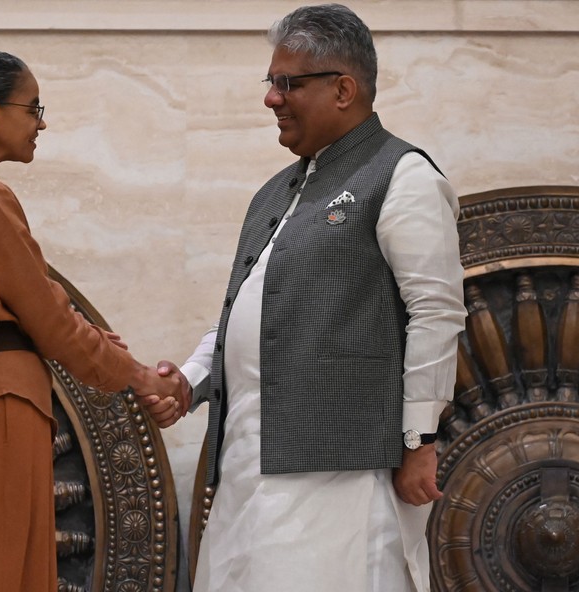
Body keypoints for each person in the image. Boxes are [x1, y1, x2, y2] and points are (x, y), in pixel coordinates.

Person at [157, 5, 466, 591]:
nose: (271, 99)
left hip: (342, 473)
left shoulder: (402, 174)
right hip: (248, 464)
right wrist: (191, 380)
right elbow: (249, 313)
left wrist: (419, 440)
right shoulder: (276, 191)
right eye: (270, 83)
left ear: (343, 89)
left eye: (286, 83)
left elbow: (437, 311)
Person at [0, 50, 182, 592]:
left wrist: (92, 342)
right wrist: (139, 377)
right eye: (34, 108)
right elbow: (50, 320)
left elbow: (34, 305)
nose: (42, 122)